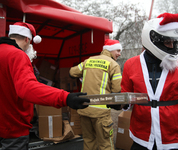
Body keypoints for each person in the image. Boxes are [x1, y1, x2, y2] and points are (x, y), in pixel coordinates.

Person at [0, 22, 90, 150]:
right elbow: (27, 88)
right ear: (27, 39)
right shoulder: (17, 55)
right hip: (13, 128)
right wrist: (66, 97)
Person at [121, 11, 178, 150]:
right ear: (152, 39)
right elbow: (126, 95)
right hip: (142, 136)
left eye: (174, 42)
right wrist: (120, 103)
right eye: (167, 42)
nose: (172, 47)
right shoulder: (130, 64)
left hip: (174, 137)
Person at [69, 39, 123, 150]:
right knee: (106, 144)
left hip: (85, 110)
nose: (119, 53)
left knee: (89, 142)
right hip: (101, 113)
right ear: (111, 50)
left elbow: (72, 72)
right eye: (118, 50)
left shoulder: (88, 61)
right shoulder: (113, 65)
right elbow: (116, 90)